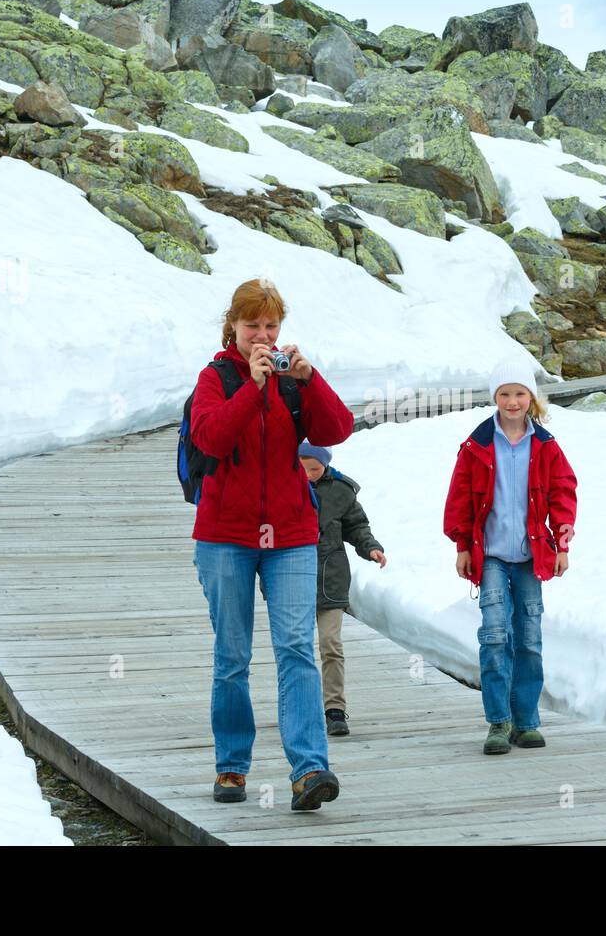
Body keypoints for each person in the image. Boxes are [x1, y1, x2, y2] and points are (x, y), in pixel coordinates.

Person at [189, 278, 355, 811]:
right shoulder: (215, 379)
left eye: (270, 325)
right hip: (225, 536)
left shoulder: (290, 379)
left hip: (291, 535)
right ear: (232, 327)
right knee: (232, 655)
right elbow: (211, 437)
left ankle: (309, 770)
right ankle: (232, 766)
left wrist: (311, 379)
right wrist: (250, 388)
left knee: (295, 649)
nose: (262, 335)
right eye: (252, 325)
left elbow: (339, 429)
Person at [442, 357, 578, 755]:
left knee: (530, 638)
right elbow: (460, 499)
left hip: (531, 556)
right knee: (495, 634)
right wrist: (462, 545)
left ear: (531, 397)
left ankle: (527, 721)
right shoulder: (477, 445)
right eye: (505, 394)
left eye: (520, 393)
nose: (513, 401)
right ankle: (498, 721)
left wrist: (562, 542)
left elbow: (563, 492)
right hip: (492, 557)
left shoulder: (546, 446)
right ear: (495, 398)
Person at [299, 442, 387, 736]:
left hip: (331, 579)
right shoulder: (279, 484)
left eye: (314, 468)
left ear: (326, 464)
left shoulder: (341, 490)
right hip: (290, 581)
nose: (308, 474)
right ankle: (296, 705)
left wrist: (371, 548)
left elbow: (357, 526)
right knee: (293, 649)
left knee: (331, 645)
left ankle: (334, 708)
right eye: (302, 467)